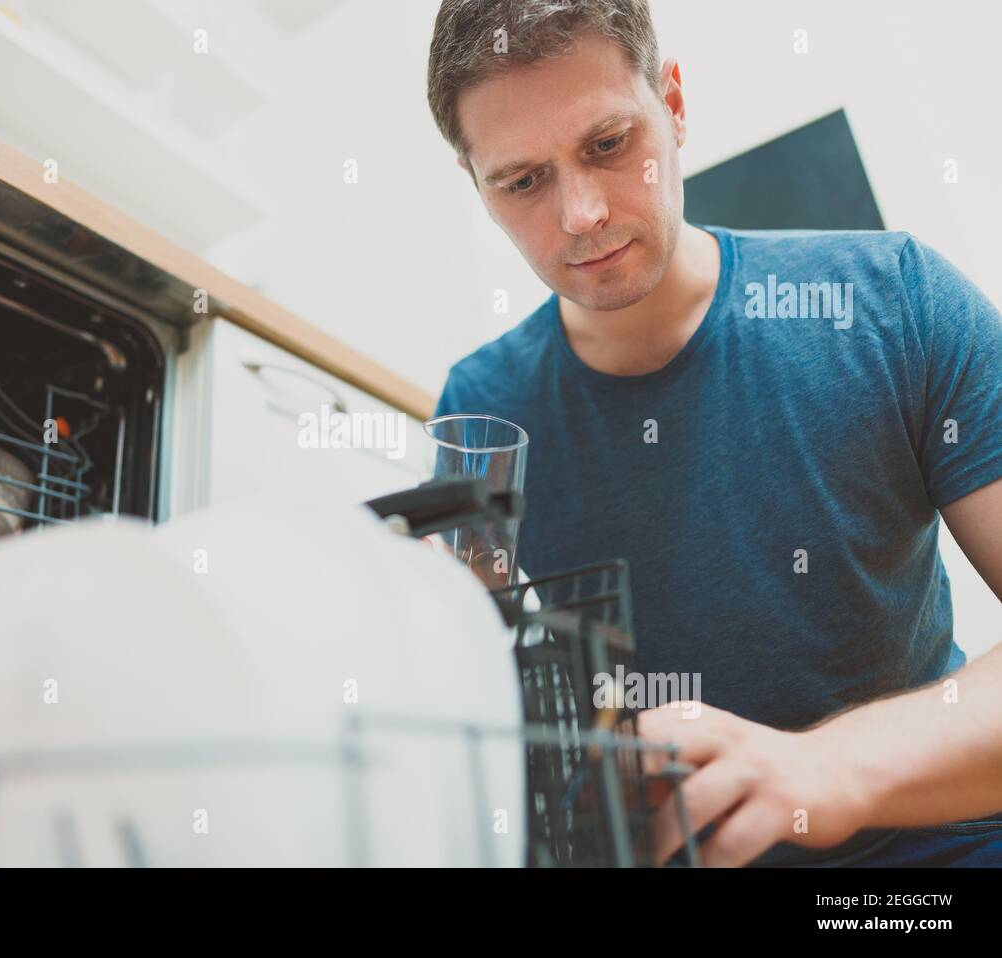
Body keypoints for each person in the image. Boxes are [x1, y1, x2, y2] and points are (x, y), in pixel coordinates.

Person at [426, 0, 1002, 866]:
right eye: (523, 181)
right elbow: (484, 706)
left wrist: (825, 772)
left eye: (608, 144)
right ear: (475, 183)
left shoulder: (898, 303)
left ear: (676, 104)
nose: (579, 213)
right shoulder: (483, 409)